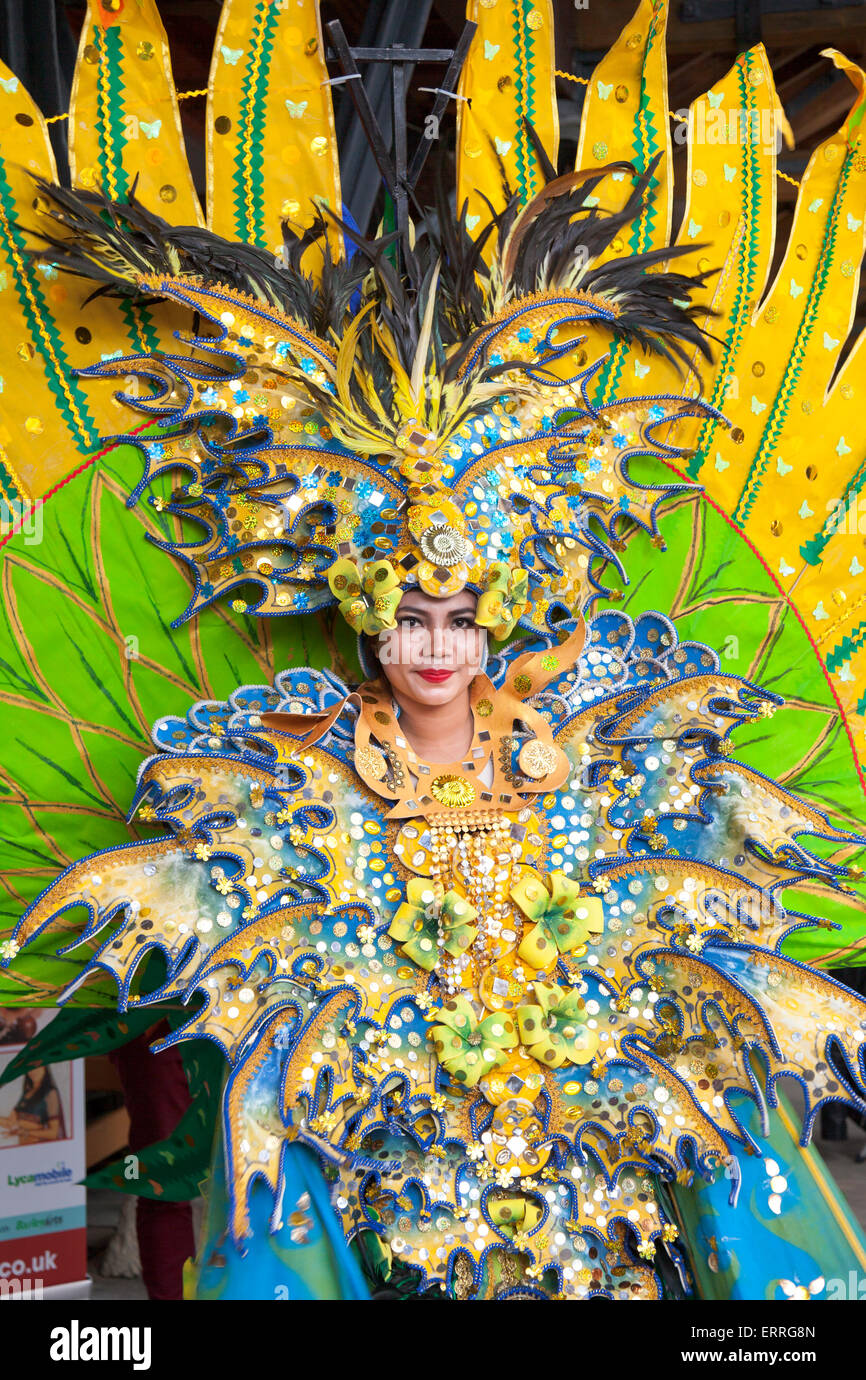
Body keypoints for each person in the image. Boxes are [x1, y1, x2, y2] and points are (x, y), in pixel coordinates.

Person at [2, 0, 866, 1303]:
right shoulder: (280, 799)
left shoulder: (613, 771)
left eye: (459, 615)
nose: (433, 646)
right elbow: (263, 1129)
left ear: (503, 600)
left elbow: (718, 1095)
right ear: (356, 603)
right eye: (406, 613)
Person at [0, 1066, 65, 1144]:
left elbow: (53, 1133)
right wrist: (20, 1132)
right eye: (30, 1068)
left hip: (38, 1148)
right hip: (22, 1146)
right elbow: (10, 1123)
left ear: (45, 1068)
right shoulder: (26, 1093)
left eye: (37, 1067)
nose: (33, 1071)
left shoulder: (50, 1093)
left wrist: (26, 1132)